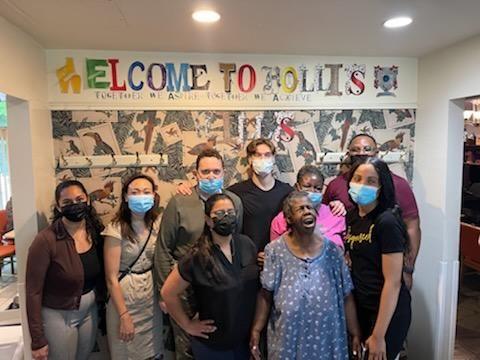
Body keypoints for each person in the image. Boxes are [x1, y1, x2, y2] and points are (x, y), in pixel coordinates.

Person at [154, 149, 243, 360]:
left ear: (224, 173)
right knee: (187, 344)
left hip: (219, 288)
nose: (211, 176)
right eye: (205, 172)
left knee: (216, 339)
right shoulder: (180, 202)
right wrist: (164, 292)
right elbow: (164, 248)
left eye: (216, 171)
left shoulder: (234, 203)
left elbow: (236, 242)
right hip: (184, 288)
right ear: (196, 174)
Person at [250, 191, 361, 360]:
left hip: (328, 338)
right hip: (287, 340)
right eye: (300, 209)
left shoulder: (332, 251)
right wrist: (256, 330)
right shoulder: (274, 250)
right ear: (288, 218)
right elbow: (265, 294)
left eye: (310, 207)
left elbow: (346, 296)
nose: (307, 211)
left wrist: (355, 333)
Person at [161, 193, 259, 360]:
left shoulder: (246, 244)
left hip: (243, 341)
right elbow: (168, 293)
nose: (226, 217)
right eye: (219, 214)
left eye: (230, 212)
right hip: (213, 344)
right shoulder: (198, 256)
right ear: (208, 220)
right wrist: (187, 324)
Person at [323, 133, 421, 289]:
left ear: (377, 153)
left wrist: (408, 269)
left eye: (367, 149)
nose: (361, 153)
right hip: (349, 272)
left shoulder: (398, 185)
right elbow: (324, 221)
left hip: (387, 269)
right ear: (348, 154)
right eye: (356, 149)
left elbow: (412, 226)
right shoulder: (336, 185)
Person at [26, 180, 105, 360]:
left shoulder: (96, 232)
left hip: (89, 311)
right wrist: (37, 340)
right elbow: (33, 292)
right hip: (58, 315)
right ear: (59, 208)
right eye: (67, 203)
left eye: (79, 199)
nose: (75, 205)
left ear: (88, 201)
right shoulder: (45, 241)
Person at [345, 157, 412, 359]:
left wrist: (379, 335)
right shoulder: (353, 216)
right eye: (357, 178)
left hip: (386, 312)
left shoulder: (387, 221)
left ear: (382, 187)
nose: (362, 185)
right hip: (362, 305)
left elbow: (392, 282)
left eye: (371, 181)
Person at [103, 174, 163, 360]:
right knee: (126, 349)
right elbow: (111, 278)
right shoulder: (116, 228)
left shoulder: (158, 223)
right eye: (135, 192)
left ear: (154, 195)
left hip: (150, 297)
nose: (141, 196)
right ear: (126, 196)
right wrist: (124, 315)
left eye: (146, 192)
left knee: (153, 351)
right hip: (124, 298)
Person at [270, 165, 345, 248]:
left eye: (318, 188)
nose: (312, 191)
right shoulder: (282, 219)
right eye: (307, 186)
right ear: (297, 187)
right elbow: (275, 253)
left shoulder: (335, 214)